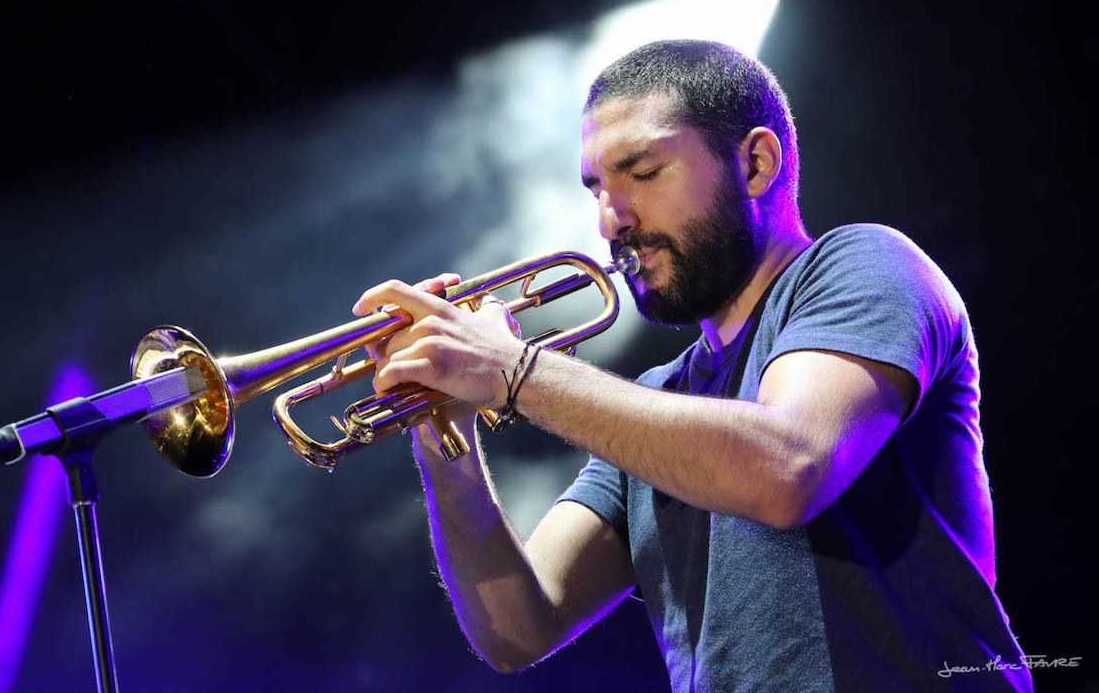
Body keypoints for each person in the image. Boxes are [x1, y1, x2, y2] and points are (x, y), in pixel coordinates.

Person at [352, 40, 1032, 691]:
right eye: (595, 189)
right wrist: (446, 436)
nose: (610, 220)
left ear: (756, 165)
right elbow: (519, 630)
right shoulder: (655, 400)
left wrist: (511, 370)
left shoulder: (867, 265)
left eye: (643, 173)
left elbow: (788, 468)